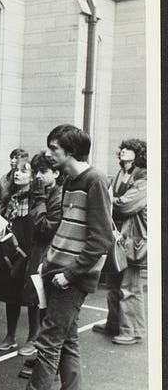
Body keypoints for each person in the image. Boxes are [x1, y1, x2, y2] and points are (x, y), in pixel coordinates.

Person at [26, 124, 115, 390]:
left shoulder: (95, 180)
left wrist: (70, 274)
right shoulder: (69, 181)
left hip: (71, 276)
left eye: (54, 148)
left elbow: (102, 239)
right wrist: (49, 262)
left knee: (49, 342)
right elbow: (65, 227)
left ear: (71, 151)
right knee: (67, 341)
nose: (48, 152)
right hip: (55, 270)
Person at [93, 139, 147, 345]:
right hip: (119, 237)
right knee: (114, 283)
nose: (124, 151)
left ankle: (133, 330)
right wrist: (113, 200)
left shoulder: (144, 177)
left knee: (130, 286)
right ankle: (115, 323)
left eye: (130, 149)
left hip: (133, 240)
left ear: (138, 154)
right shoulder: (121, 174)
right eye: (123, 148)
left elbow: (125, 206)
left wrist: (110, 200)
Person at [17, 150, 64, 379]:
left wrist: (40, 200)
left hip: (50, 257)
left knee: (48, 310)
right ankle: (44, 357)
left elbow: (45, 227)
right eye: (36, 171)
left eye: (43, 171)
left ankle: (49, 364)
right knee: (40, 304)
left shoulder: (55, 195)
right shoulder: (46, 193)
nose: (38, 176)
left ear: (56, 172)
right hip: (40, 254)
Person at [0, 158, 40, 357]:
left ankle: (33, 338)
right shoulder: (9, 196)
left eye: (24, 170)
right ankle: (10, 336)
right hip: (11, 253)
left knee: (32, 297)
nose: (18, 173)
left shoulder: (36, 198)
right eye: (16, 170)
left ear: (33, 175)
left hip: (30, 253)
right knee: (10, 295)